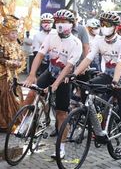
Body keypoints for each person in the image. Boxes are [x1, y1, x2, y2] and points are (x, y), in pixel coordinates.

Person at [70, 11, 121, 167]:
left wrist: (116, 82)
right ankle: (97, 127)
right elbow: (89, 58)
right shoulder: (99, 40)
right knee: (87, 88)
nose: (104, 27)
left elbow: (119, 64)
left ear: (115, 27)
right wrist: (75, 73)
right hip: (107, 75)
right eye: (102, 24)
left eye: (108, 25)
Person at [23, 9, 83, 159]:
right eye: (58, 22)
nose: (60, 25)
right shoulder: (52, 34)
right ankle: (26, 120)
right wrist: (31, 75)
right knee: (31, 92)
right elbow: (40, 55)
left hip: (64, 78)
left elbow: (68, 67)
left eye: (64, 22)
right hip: (50, 72)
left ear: (72, 24)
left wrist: (56, 84)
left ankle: (61, 148)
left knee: (61, 114)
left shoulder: (76, 43)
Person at [0, 15, 26, 131]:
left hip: (14, 75)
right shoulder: (2, 44)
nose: (14, 35)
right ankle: (4, 123)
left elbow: (21, 57)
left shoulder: (16, 44)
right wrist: (10, 63)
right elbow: (1, 59)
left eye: (15, 33)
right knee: (5, 95)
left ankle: (15, 121)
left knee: (16, 95)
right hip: (3, 75)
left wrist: (19, 63)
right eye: (12, 33)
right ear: (6, 33)